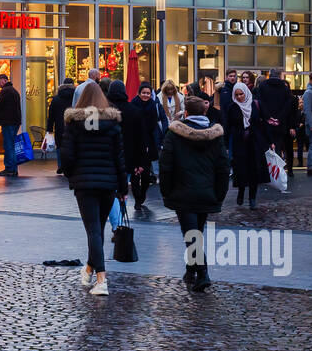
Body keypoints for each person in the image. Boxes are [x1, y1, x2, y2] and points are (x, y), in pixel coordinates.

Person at [60, 80, 127, 297]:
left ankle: (101, 279)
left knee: (93, 231)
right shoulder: (112, 123)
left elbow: (67, 157)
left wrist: (72, 176)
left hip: (85, 184)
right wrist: (122, 186)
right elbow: (119, 157)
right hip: (108, 184)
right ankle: (88, 270)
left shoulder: (74, 124)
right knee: (97, 229)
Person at [159, 97, 229, 292]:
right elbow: (223, 166)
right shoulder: (215, 135)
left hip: (182, 191)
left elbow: (166, 165)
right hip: (206, 192)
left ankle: (203, 272)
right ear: (204, 112)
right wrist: (219, 194)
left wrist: (166, 191)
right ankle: (191, 270)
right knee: (195, 233)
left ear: (186, 113)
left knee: (191, 235)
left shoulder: (174, 134)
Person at [224, 82, 270, 208]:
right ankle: (241, 191)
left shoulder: (255, 105)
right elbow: (227, 126)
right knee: (241, 170)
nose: (239, 97)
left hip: (254, 142)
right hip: (239, 143)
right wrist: (226, 145)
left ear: (246, 93)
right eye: (237, 94)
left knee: (254, 170)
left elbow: (263, 123)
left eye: (241, 94)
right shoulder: (232, 107)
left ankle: (252, 198)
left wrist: (269, 141)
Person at [108, 80, 151, 209]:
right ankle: (120, 217)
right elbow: (141, 139)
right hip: (128, 157)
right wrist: (140, 162)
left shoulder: (103, 111)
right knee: (123, 187)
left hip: (107, 156)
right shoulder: (134, 111)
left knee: (111, 190)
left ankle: (116, 218)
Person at [256, 69, 297, 177]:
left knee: (266, 148)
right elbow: (287, 106)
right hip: (280, 123)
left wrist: (268, 117)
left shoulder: (263, 86)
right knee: (278, 147)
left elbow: (260, 102)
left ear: (270, 75)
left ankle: (266, 173)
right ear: (279, 75)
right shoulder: (285, 88)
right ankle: (277, 173)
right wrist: (278, 118)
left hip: (266, 122)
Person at [0, 73, 23, 177]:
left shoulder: (6, 91)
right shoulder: (13, 90)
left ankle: (10, 168)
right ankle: (12, 168)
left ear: (4, 80)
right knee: (11, 145)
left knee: (9, 146)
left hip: (8, 122)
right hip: (14, 122)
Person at [46, 78, 75, 173]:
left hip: (60, 126)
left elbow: (51, 115)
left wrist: (49, 128)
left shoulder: (56, 99)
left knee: (59, 146)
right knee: (72, 145)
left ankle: (61, 165)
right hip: (73, 126)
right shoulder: (76, 97)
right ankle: (71, 166)